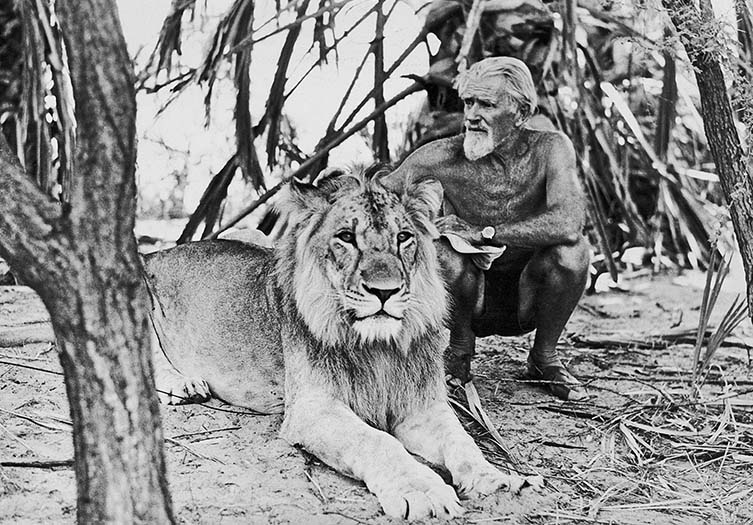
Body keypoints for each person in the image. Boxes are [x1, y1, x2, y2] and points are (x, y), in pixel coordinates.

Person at [385, 57, 590, 401]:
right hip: (468, 296)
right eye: (468, 102)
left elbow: (568, 222)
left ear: (521, 113)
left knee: (574, 252)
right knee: (440, 251)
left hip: (530, 294)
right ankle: (460, 351)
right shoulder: (440, 156)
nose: (471, 116)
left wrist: (484, 232)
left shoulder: (551, 149)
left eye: (487, 104)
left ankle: (544, 357)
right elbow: (380, 194)